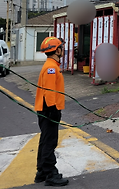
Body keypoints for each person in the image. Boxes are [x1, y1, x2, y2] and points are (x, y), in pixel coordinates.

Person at [34, 37, 69, 186]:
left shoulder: (52, 65)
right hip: (49, 109)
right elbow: (49, 91)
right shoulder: (51, 68)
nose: (63, 50)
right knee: (50, 141)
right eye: (61, 47)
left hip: (46, 108)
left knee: (45, 140)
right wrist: (53, 109)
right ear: (57, 50)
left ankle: (41, 171)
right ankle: (50, 173)